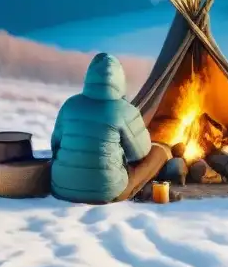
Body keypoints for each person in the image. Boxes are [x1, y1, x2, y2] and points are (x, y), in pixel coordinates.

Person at [50, 52, 171, 204]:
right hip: (106, 192)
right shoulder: (125, 110)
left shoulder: (69, 105)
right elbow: (140, 153)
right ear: (120, 79)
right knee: (158, 152)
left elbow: (55, 144)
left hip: (61, 187)